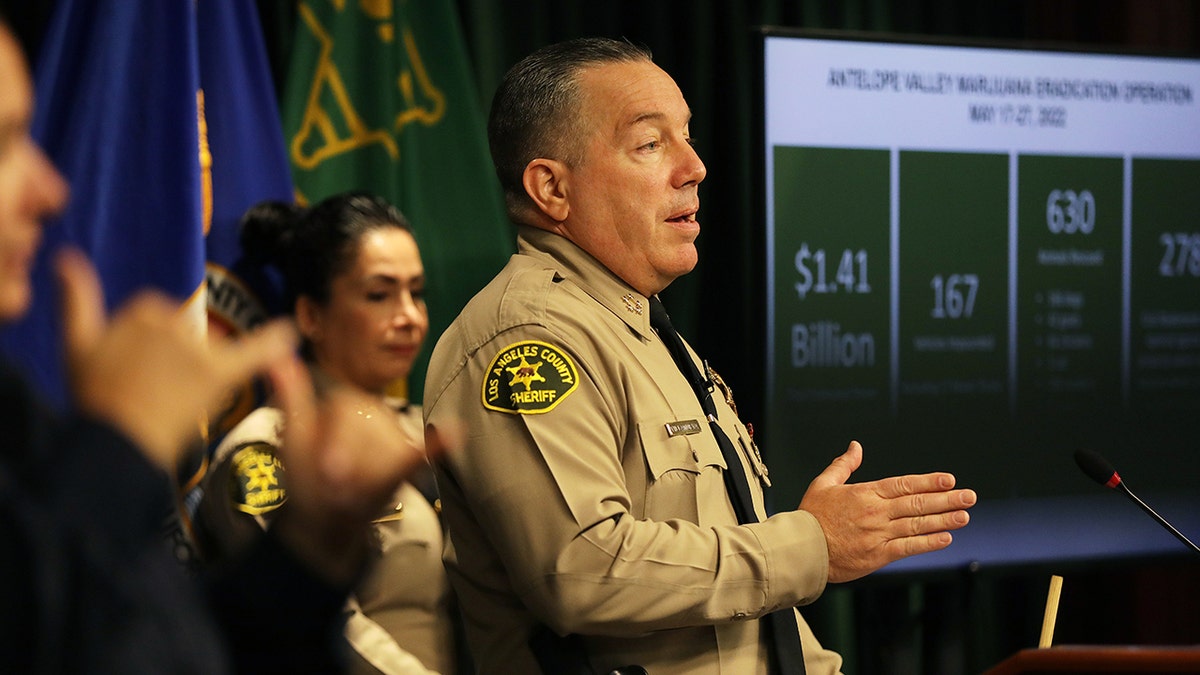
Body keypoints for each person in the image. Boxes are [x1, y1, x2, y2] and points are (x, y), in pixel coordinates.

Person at [422, 37, 978, 674]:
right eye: (651, 144)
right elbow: (582, 571)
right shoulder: (528, 341)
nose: (694, 166)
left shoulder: (646, 332)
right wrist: (811, 544)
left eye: (686, 136)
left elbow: (736, 621)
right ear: (551, 187)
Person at [0, 16, 436, 673]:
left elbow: (165, 648)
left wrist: (307, 552)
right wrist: (120, 444)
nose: (50, 190)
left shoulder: (13, 411)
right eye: (3, 144)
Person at [196, 193, 460, 675]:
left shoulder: (421, 426)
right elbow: (316, 617)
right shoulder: (266, 452)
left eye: (416, 292)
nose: (410, 316)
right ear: (311, 316)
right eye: (379, 295)